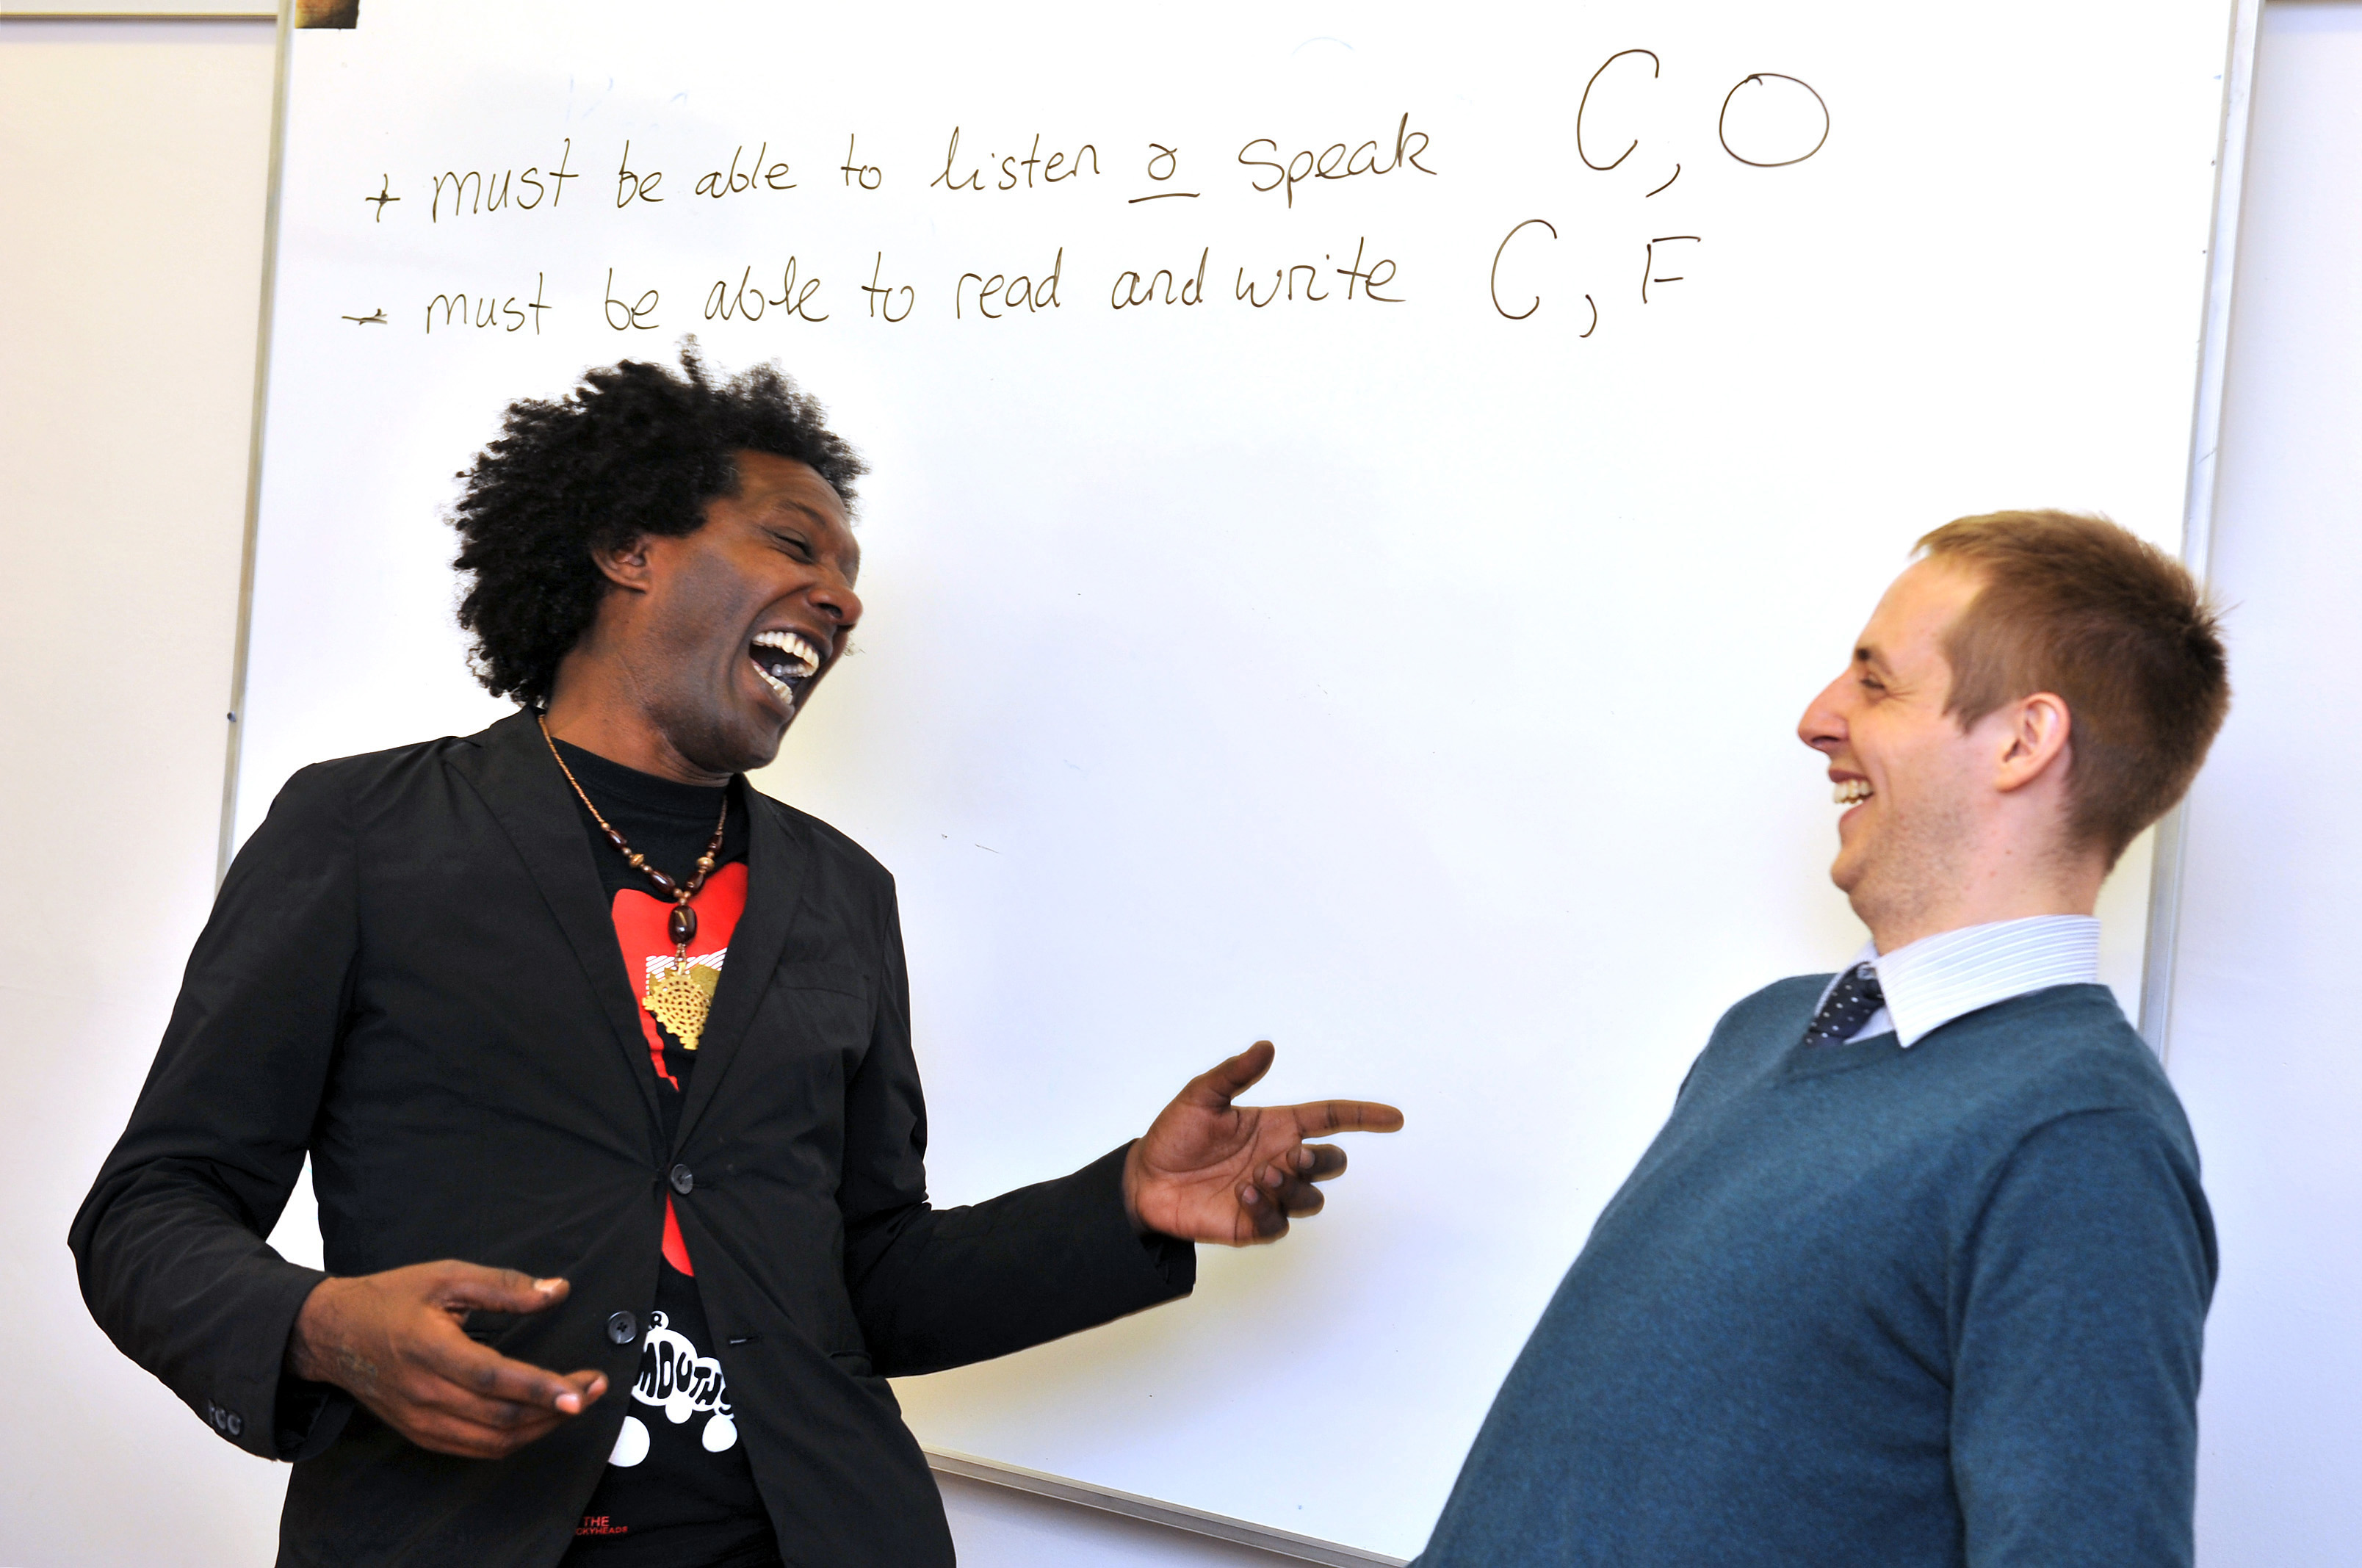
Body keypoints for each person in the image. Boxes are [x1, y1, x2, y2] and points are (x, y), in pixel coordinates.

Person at [71, 347, 1402, 1568]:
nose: (841, 594)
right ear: (625, 548)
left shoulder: (841, 895)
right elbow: (149, 1210)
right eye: (792, 542)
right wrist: (320, 1328)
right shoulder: (366, 833)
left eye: (851, 572)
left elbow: (865, 1282)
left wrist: (1120, 1205)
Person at [1417, 510, 2228, 1567]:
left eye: (1876, 683)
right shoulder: (1765, 1033)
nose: (1817, 718)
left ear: (2024, 741)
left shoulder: (2077, 1142)